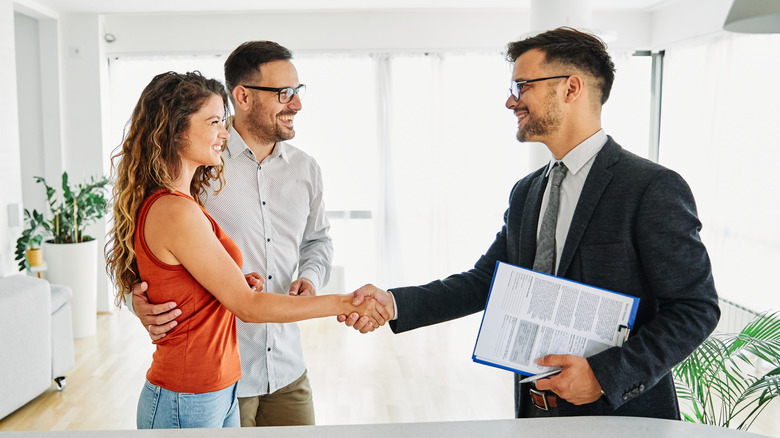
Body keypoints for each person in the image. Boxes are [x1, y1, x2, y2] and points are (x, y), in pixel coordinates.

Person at [340, 27, 720, 419]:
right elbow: (489, 280)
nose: (511, 101)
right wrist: (395, 302)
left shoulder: (651, 187)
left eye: (522, 86)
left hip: (621, 414)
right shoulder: (527, 192)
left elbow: (696, 307)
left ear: (571, 88)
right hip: (536, 410)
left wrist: (604, 375)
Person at [106, 70, 388, 429]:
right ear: (175, 130)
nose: (224, 132)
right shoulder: (175, 210)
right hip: (188, 394)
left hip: (221, 385)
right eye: (213, 122)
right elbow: (248, 307)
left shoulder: (186, 201)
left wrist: (234, 280)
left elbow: (196, 281)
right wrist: (346, 302)